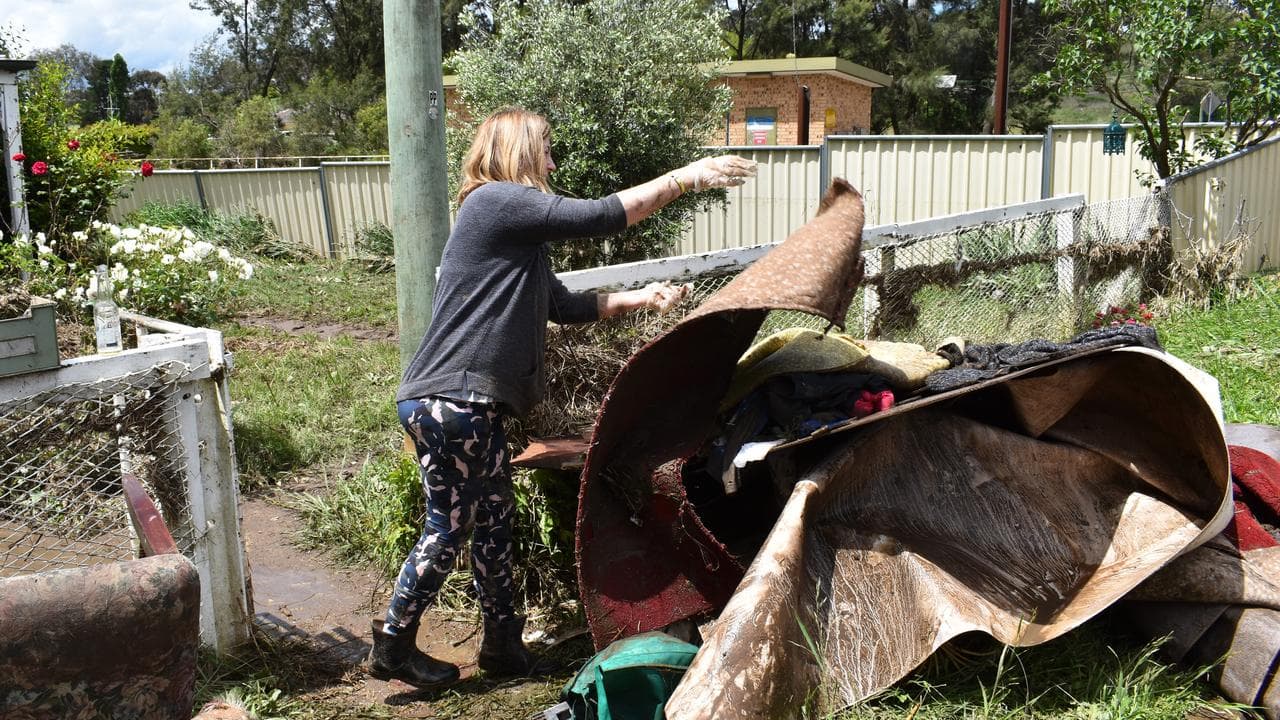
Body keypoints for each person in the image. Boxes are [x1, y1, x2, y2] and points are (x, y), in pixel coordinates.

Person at [367, 106, 757, 688]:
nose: (552, 161)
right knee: (448, 528)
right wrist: (688, 177)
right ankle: (394, 645)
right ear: (519, 151)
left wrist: (642, 297)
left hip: (466, 405)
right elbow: (604, 215)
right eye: (546, 149)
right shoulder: (496, 200)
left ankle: (503, 648)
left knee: (494, 524)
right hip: (456, 401)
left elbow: (563, 306)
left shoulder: (512, 232)